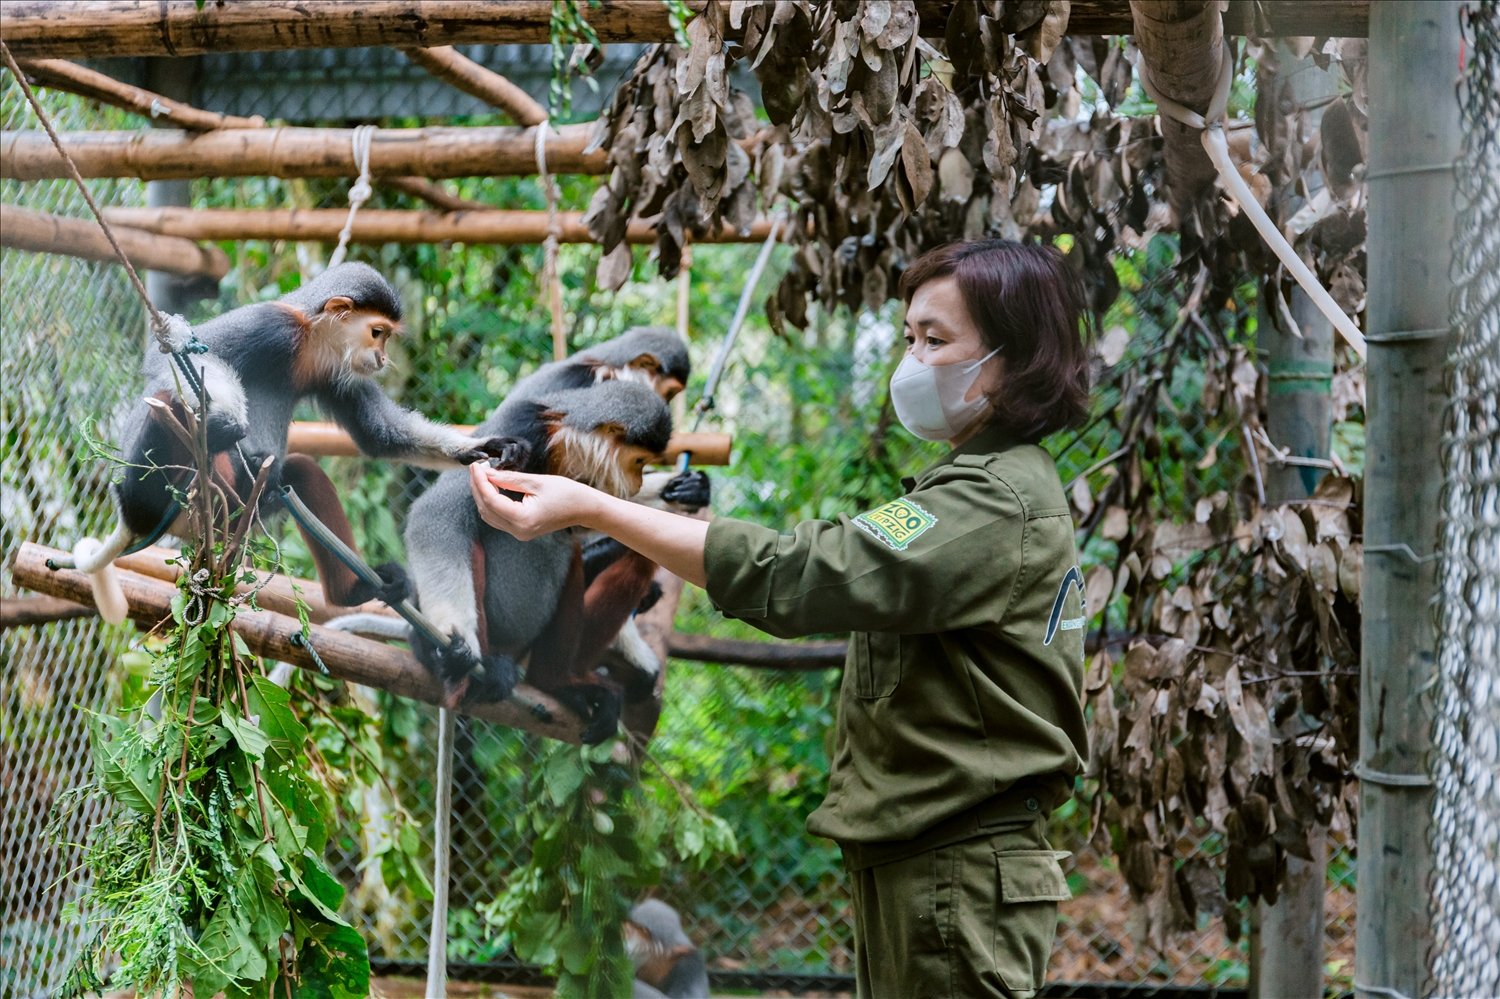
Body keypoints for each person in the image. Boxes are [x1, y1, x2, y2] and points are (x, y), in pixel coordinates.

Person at [468, 239, 1092, 999]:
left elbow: (807, 573)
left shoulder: (993, 502)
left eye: (936, 341)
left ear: (1011, 359)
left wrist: (600, 507)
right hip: (930, 853)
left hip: (956, 861)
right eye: (908, 339)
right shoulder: (978, 486)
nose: (912, 362)